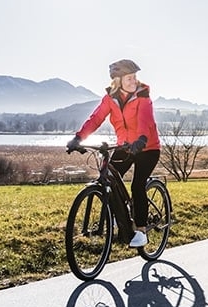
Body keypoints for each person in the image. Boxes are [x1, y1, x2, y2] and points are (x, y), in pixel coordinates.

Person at [67, 59, 160, 248]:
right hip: (125, 147)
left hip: (148, 148)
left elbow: (145, 121)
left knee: (137, 185)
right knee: (109, 175)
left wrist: (141, 140)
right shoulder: (110, 98)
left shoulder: (143, 96)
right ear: (118, 80)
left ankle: (141, 230)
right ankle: (121, 217)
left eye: (134, 77)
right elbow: (96, 118)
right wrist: (78, 138)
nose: (133, 81)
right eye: (129, 78)